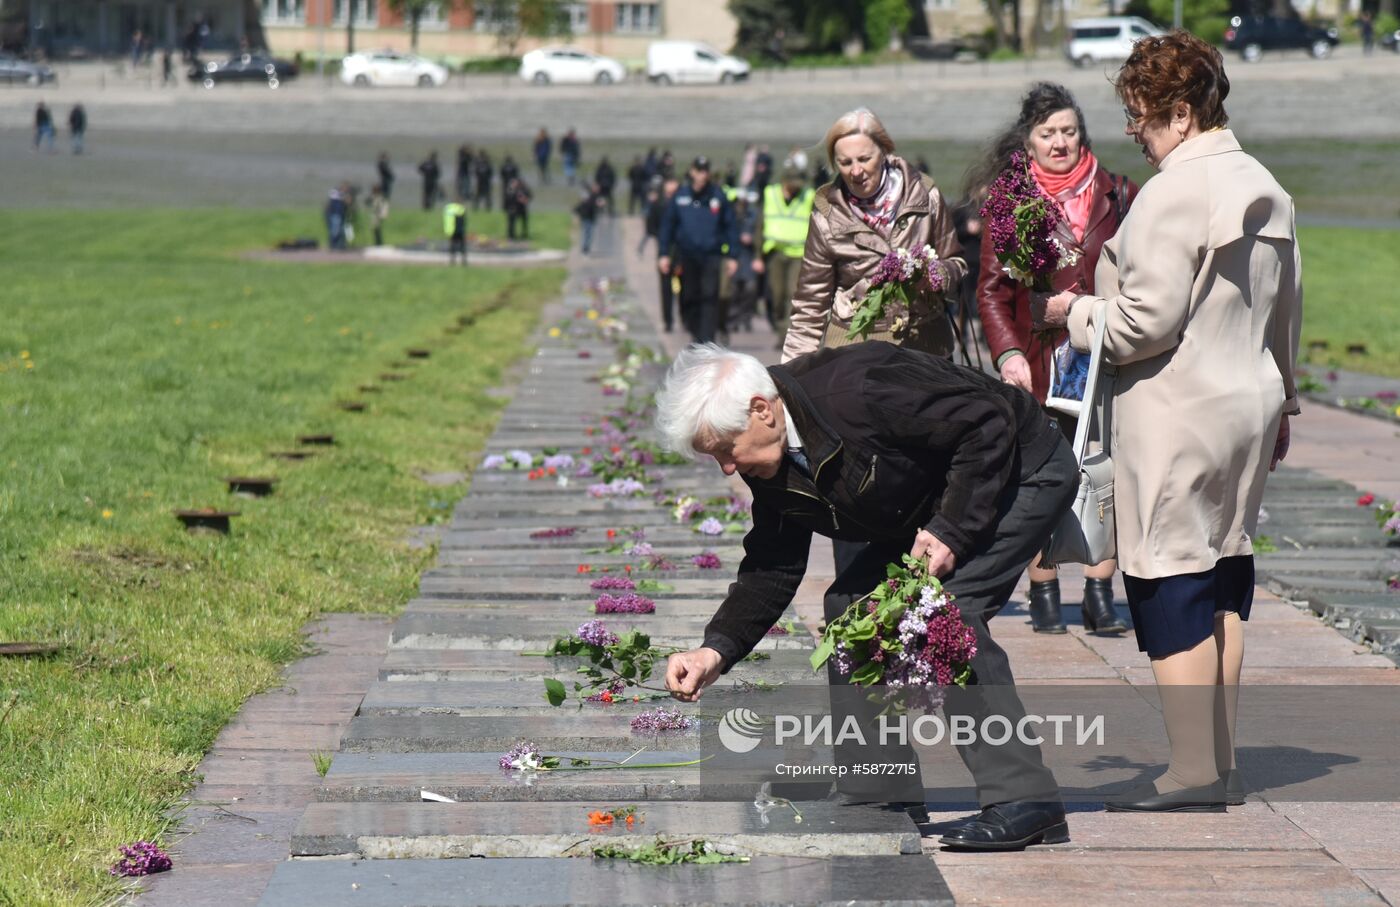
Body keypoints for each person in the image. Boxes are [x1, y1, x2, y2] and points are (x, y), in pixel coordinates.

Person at [657, 342, 1078, 850]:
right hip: (931, 497)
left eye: (725, 449)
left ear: (761, 411)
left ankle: (1025, 799)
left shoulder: (861, 389)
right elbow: (773, 561)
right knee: (852, 609)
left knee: (945, 613)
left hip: (1019, 468)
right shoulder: (766, 457)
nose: (727, 467)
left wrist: (951, 529)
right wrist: (715, 649)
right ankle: (881, 788)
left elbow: (986, 422)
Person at [1032, 31, 1302, 813]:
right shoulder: (1267, 184)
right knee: (1225, 574)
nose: (1134, 133)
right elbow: (1288, 310)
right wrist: (1283, 400)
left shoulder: (1171, 193)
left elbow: (1142, 323)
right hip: (1249, 398)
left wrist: (1072, 311)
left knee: (1171, 578)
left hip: (1179, 406)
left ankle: (1190, 771)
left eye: (1141, 116)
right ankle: (1218, 760)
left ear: (1181, 114)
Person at [970, 82, 1139, 636]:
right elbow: (992, 290)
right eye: (1048, 134)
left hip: (1107, 352)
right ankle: (1043, 591)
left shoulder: (1118, 192)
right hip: (1040, 361)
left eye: (1068, 131)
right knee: (1043, 472)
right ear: (1030, 140)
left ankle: (1099, 592)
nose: (1060, 142)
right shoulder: (1010, 202)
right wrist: (1009, 352)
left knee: (1106, 471)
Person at [782, 108, 967, 364]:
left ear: (884, 152)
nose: (855, 171)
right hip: (855, 354)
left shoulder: (925, 195)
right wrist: (792, 377)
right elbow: (809, 304)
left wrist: (935, 275)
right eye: (845, 163)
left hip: (926, 348)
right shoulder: (826, 216)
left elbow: (958, 265)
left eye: (864, 159)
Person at [657, 157, 739, 344]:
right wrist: (663, 253)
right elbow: (667, 227)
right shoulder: (681, 196)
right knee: (688, 295)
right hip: (687, 255)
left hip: (711, 255)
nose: (702, 175)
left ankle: (706, 340)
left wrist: (733, 255)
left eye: (705, 171)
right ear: (692, 172)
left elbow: (730, 226)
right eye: (698, 170)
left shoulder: (717, 196)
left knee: (710, 295)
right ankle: (694, 331)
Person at [757, 164, 815, 346]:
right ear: (785, 181)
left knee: (793, 293)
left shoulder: (808, 196)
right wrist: (757, 255)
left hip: (798, 254)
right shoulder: (770, 194)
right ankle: (779, 325)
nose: (797, 186)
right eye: (793, 182)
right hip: (775, 253)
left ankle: (786, 336)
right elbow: (759, 226)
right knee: (776, 295)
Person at [645, 177, 681, 330]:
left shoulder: (683, 205)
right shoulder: (658, 205)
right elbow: (650, 227)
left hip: (682, 252)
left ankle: (686, 317)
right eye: (669, 192)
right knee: (666, 288)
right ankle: (668, 320)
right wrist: (662, 236)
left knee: (683, 288)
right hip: (664, 251)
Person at [725, 192, 761, 334]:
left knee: (749, 288)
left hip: (748, 256)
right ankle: (733, 319)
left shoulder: (752, 216)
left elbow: (759, 234)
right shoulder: (730, 216)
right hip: (734, 256)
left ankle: (746, 318)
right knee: (733, 290)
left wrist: (751, 240)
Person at [575, 181, 604, 255]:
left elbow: (596, 205)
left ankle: (586, 247)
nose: (598, 189)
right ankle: (585, 247)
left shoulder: (595, 196)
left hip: (590, 216)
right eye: (596, 188)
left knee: (588, 233)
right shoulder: (590, 195)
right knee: (587, 232)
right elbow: (585, 204)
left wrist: (599, 205)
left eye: (598, 188)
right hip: (586, 216)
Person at [504, 176, 533, 240]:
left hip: (522, 208)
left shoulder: (524, 189)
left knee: (524, 222)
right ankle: (511, 235)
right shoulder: (510, 190)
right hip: (512, 208)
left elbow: (529, 197)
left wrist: (525, 200)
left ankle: (524, 234)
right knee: (511, 223)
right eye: (514, 183)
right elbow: (507, 199)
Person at [443, 197, 468, 265]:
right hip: (459, 229)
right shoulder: (461, 209)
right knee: (462, 246)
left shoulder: (449, 208)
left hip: (451, 229)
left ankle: (452, 261)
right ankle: (463, 261)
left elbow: (447, 220)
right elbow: (463, 219)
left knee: (453, 245)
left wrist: (447, 230)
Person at [324, 185, 348, 250]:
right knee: (335, 231)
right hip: (335, 215)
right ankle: (333, 245)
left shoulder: (340, 195)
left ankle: (339, 245)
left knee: (340, 231)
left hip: (340, 215)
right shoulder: (336, 194)